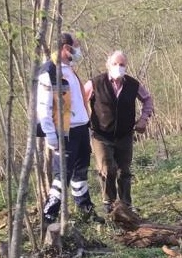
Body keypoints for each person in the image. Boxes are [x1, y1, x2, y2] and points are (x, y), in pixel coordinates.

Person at [36, 32, 104, 225]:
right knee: (62, 177)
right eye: (76, 46)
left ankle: (85, 210)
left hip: (81, 129)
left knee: (80, 173)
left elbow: (78, 101)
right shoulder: (49, 71)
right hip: (64, 133)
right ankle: (49, 216)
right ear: (66, 48)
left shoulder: (70, 70)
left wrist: (88, 125)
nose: (78, 50)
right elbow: (43, 106)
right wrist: (50, 134)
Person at [84, 50, 154, 214]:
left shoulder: (132, 84)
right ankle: (109, 203)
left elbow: (148, 99)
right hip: (101, 133)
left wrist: (144, 119)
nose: (119, 67)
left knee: (124, 170)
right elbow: (80, 99)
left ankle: (125, 205)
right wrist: (82, 121)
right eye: (115, 64)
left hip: (125, 134)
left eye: (122, 64)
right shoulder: (95, 83)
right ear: (108, 65)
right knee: (108, 169)